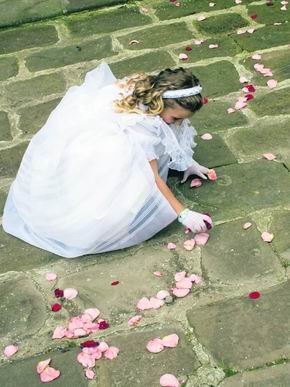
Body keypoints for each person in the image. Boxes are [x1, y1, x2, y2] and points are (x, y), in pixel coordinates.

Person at [2, 62, 213, 258]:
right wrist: (183, 213)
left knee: (162, 132)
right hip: (96, 150)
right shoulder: (143, 124)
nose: (179, 123)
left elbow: (173, 133)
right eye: (176, 118)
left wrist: (187, 162)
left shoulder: (154, 92)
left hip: (112, 130)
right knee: (119, 198)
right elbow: (152, 176)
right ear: (160, 104)